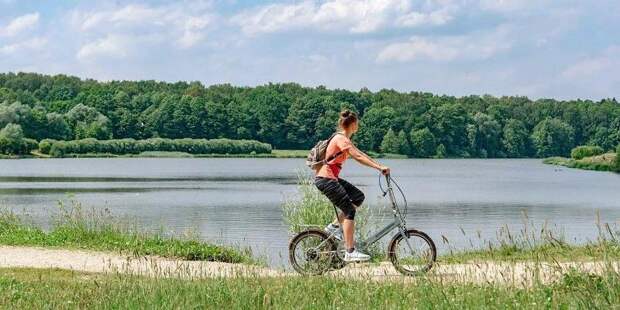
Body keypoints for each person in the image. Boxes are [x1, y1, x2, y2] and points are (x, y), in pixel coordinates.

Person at [314, 109, 390, 262]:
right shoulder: (341, 139)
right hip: (326, 179)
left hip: (330, 179)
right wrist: (378, 168)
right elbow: (357, 157)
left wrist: (380, 166)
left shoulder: (344, 139)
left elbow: (361, 154)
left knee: (358, 197)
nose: (358, 126)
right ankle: (350, 251)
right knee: (349, 210)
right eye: (358, 124)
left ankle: (333, 227)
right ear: (353, 124)